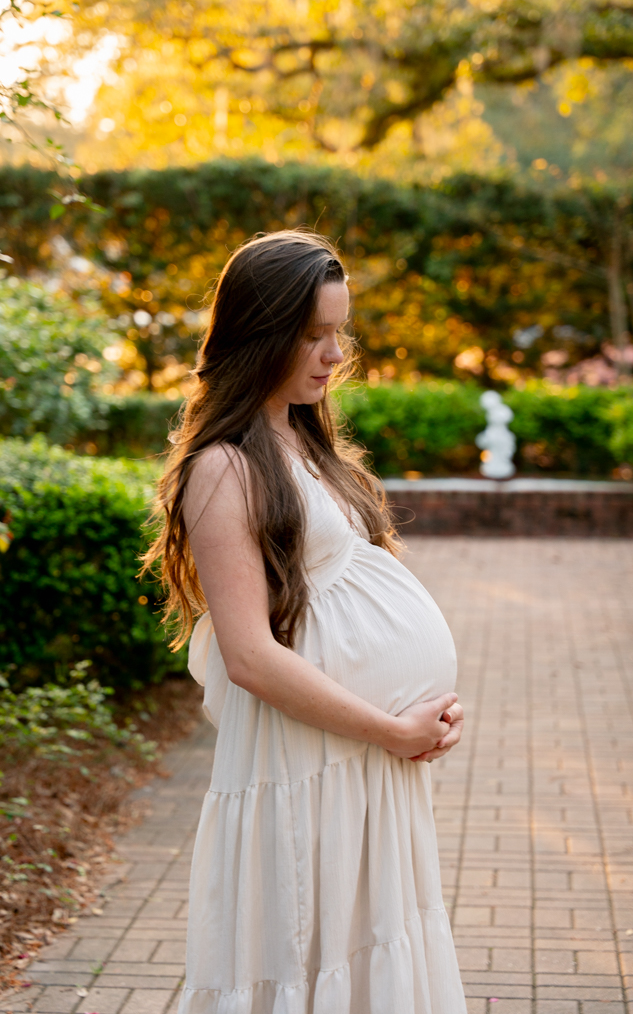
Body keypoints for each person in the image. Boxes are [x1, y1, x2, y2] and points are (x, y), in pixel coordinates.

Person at [143, 230, 468, 1014]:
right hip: (309, 762)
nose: (332, 355)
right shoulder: (223, 465)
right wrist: (389, 728)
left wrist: (413, 718)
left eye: (338, 334)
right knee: (308, 952)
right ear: (260, 333)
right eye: (311, 335)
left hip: (358, 761)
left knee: (361, 948)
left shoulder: (302, 437)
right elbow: (250, 656)